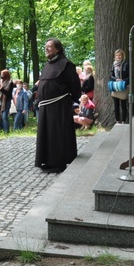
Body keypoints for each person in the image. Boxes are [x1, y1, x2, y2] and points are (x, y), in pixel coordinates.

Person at [34, 38, 82, 173]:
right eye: (46, 46)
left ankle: (58, 163)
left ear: (57, 49)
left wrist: (68, 101)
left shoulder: (66, 65)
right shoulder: (47, 65)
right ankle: (47, 161)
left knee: (57, 135)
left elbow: (75, 87)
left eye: (49, 46)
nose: (46, 48)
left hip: (59, 107)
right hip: (45, 107)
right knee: (46, 134)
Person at [109, 49, 129, 124]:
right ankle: (117, 120)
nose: (118, 57)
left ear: (123, 56)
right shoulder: (114, 64)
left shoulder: (126, 64)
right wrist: (116, 79)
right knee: (116, 105)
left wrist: (123, 80)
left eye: (120, 55)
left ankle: (124, 120)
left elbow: (129, 76)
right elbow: (111, 75)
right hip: (115, 86)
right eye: (117, 55)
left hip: (123, 86)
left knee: (123, 104)